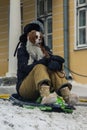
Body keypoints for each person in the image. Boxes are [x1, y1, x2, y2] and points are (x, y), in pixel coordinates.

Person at [14, 20, 78, 105]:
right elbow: (24, 68)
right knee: (40, 66)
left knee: (53, 68)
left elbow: (51, 62)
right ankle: (45, 96)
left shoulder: (45, 49)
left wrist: (57, 64)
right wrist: (41, 62)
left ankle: (67, 95)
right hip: (25, 89)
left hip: (44, 87)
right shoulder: (22, 50)